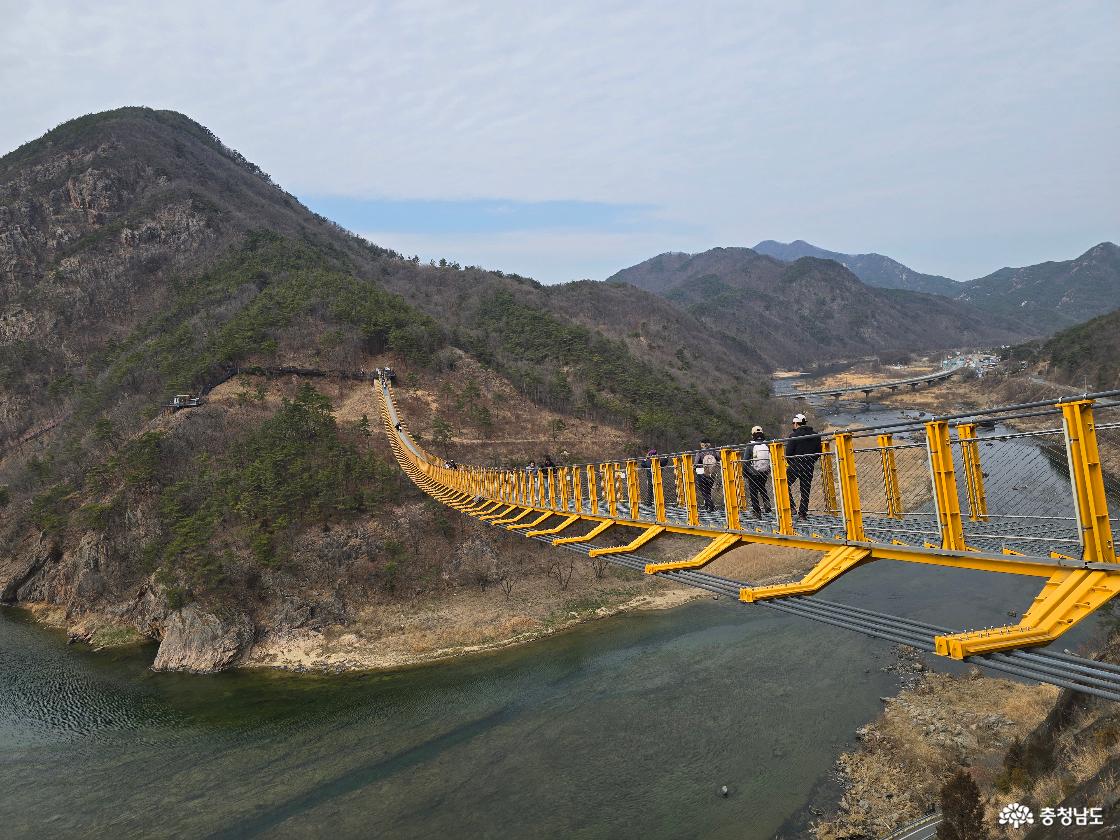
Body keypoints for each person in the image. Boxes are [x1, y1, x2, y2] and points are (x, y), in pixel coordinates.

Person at [785, 413, 822, 520]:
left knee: (784, 484)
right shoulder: (816, 435)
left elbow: (789, 453)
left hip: (796, 465)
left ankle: (791, 507)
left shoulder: (793, 436)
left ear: (796, 423)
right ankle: (802, 514)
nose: (793, 425)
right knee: (805, 490)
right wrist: (810, 461)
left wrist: (793, 463)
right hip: (808, 465)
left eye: (793, 423)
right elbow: (818, 452)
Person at [742, 426, 772, 518]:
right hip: (764, 472)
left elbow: (745, 460)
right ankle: (767, 504)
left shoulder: (750, 445)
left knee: (753, 492)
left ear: (752, 435)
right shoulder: (766, 444)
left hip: (753, 473)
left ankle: (757, 512)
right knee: (762, 488)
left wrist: (745, 472)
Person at [696, 439, 720, 513]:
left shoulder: (699, 453)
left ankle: (711, 506)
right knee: (708, 491)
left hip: (702, 473)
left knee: (704, 491)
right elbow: (719, 459)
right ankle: (707, 506)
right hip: (712, 474)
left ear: (702, 444)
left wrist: (696, 471)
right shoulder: (714, 451)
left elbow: (696, 464)